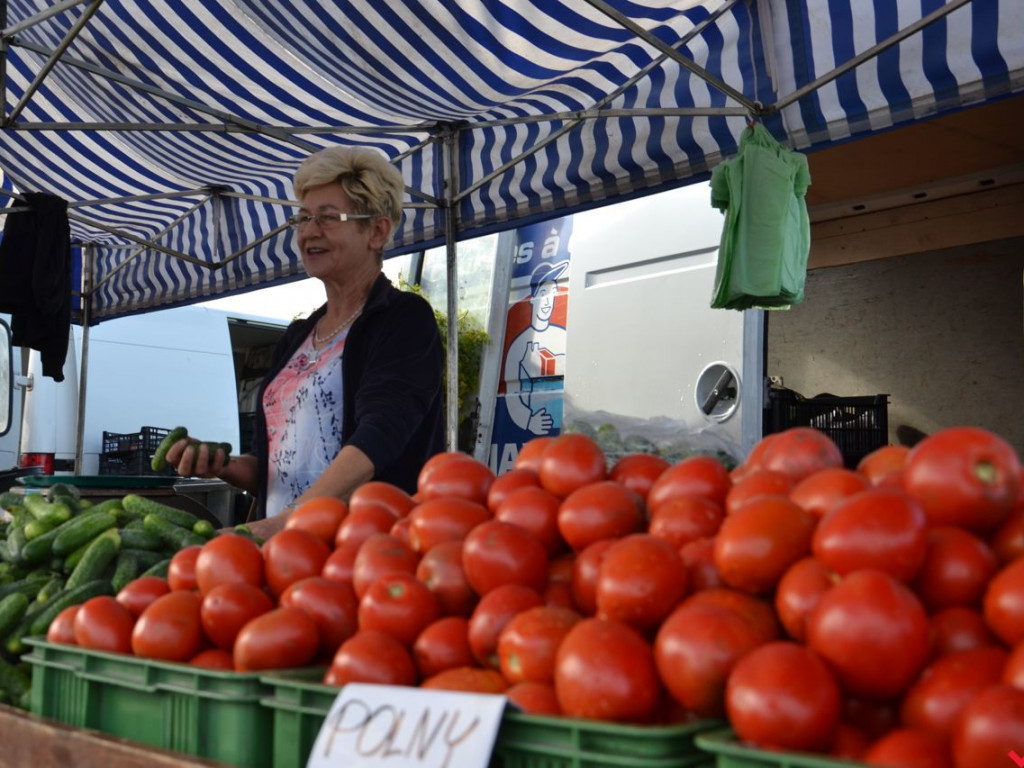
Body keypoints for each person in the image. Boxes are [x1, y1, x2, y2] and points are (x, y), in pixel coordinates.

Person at [165, 146, 446, 537]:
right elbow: (275, 468)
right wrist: (224, 465)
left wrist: (288, 521)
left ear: (377, 230)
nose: (309, 231)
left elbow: (379, 436)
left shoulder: (404, 319)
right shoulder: (298, 336)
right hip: (285, 553)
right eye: (303, 218)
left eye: (328, 218)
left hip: (363, 551)